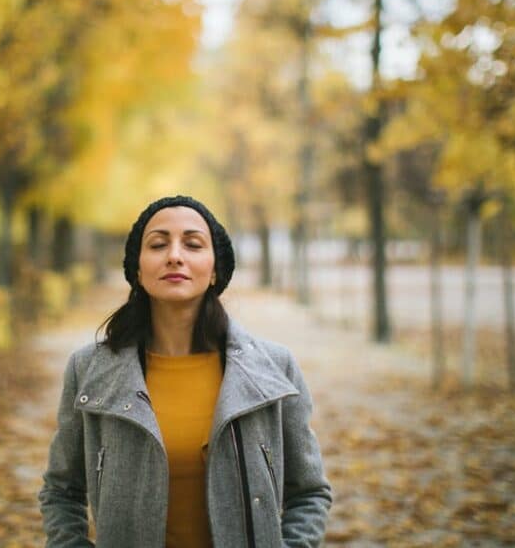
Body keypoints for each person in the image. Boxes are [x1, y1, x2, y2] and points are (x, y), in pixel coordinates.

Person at [39, 195, 332, 547]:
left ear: (215, 270)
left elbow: (310, 492)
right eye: (158, 244)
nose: (174, 255)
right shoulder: (88, 370)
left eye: (192, 244)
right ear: (137, 269)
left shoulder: (273, 368)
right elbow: (61, 490)